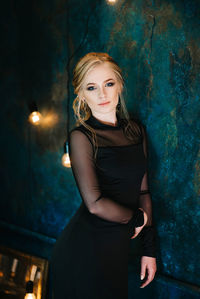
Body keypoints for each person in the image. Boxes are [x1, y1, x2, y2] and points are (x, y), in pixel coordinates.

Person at [50, 52, 157, 299]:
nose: (102, 95)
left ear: (120, 84)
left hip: (117, 250)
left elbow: (143, 192)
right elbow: (95, 204)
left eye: (108, 84)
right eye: (91, 87)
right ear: (81, 94)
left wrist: (149, 250)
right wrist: (137, 220)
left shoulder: (135, 131)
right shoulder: (81, 137)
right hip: (84, 250)